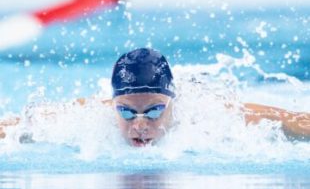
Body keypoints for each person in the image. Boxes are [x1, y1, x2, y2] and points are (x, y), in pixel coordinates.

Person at [0, 48, 309, 146]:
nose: (139, 125)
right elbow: (17, 126)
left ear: (172, 103)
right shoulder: (88, 119)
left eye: (153, 111)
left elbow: (286, 120)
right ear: (114, 105)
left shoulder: (207, 114)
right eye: (126, 113)